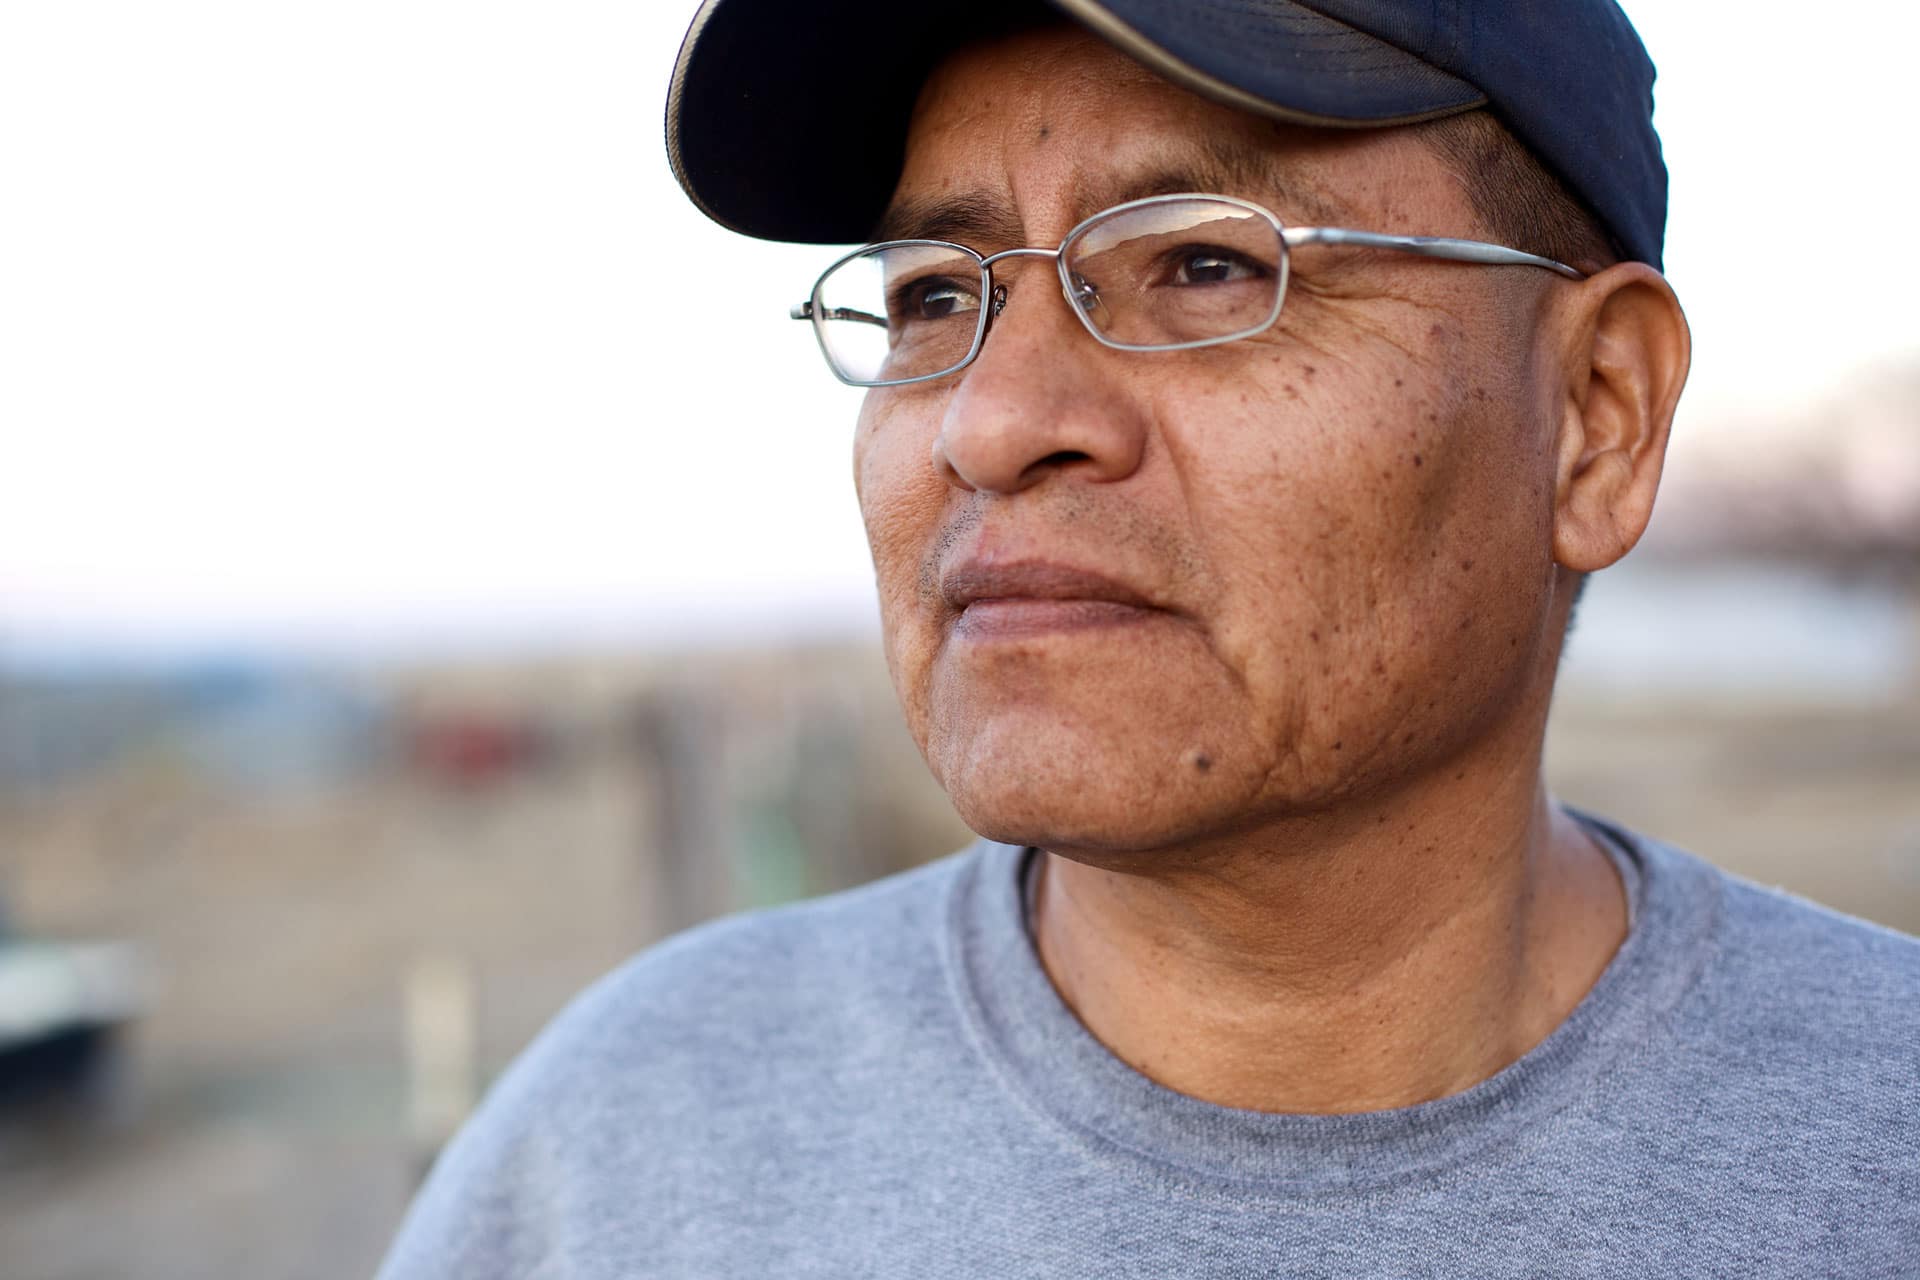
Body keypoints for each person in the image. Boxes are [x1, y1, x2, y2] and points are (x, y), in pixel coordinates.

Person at [379, 2, 1920, 1275]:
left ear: (1598, 420)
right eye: (931, 296)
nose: (991, 422)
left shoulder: (1877, 1153)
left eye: (1205, 263)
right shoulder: (634, 1147)